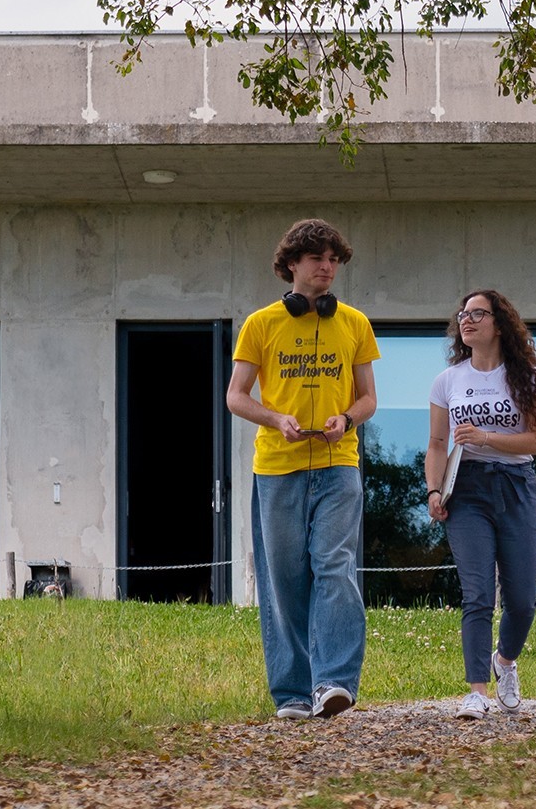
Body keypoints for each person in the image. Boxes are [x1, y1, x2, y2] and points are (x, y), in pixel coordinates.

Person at [226, 218, 379, 720]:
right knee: (285, 578)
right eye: (317, 259)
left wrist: (347, 419)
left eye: (334, 260)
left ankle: (334, 682)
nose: (327, 267)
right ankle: (293, 692)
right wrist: (276, 419)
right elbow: (236, 396)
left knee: (334, 565)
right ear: (292, 264)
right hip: (277, 468)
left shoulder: (354, 323)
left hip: (338, 465)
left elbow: (368, 398)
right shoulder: (261, 324)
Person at [424, 289, 536, 719]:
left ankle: (505, 661)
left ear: (500, 323)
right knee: (477, 593)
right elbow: (437, 443)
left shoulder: (528, 376)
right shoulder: (448, 380)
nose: (467, 319)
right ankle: (476, 690)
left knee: (522, 600)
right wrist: (434, 490)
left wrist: (485, 437)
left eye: (477, 313)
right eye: (463, 314)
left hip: (517, 485)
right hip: (467, 488)